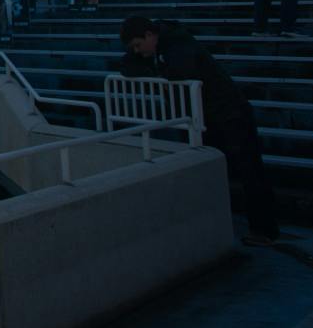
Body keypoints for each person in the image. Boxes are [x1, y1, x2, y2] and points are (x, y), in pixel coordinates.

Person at [119, 16, 280, 246]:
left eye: (138, 45)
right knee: (215, 167)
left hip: (229, 111)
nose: (138, 51)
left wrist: (152, 68)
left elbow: (179, 71)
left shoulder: (178, 41)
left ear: (149, 35)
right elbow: (127, 66)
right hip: (206, 116)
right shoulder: (159, 45)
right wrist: (151, 65)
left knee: (249, 170)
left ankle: (264, 229)